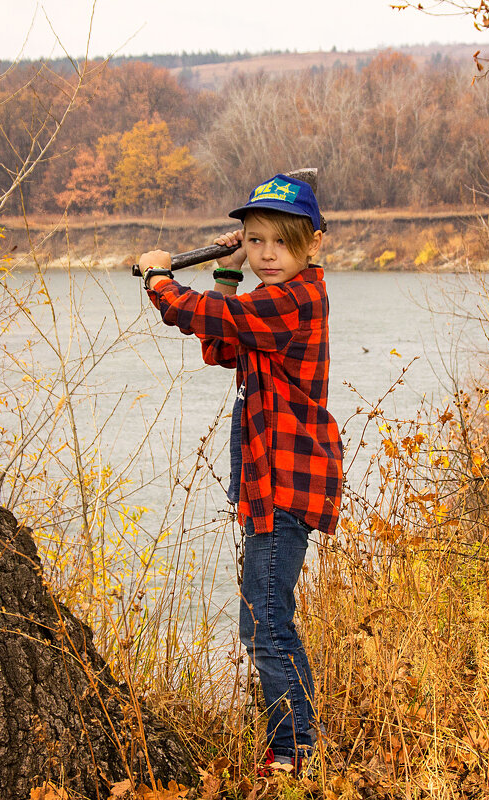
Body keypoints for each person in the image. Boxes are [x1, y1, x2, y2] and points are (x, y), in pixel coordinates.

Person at [136, 174, 344, 774]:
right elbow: (222, 342)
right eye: (254, 241)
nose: (266, 254)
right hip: (268, 479)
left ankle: (295, 753)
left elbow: (200, 313)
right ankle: (299, 744)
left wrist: (159, 279)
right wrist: (226, 270)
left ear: (314, 245)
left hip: (285, 482)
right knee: (267, 614)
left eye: (281, 241)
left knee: (265, 620)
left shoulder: (294, 299)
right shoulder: (267, 307)